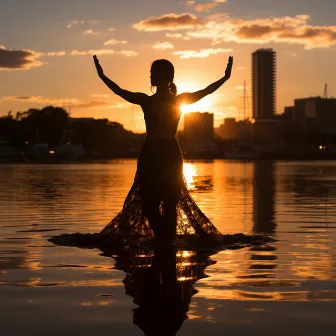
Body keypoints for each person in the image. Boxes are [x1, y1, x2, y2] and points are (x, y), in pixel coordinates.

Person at [93, 54, 233, 248]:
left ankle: (167, 245)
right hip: (149, 154)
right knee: (149, 204)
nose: (151, 76)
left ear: (168, 77)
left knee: (170, 202)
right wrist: (102, 76)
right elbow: (120, 91)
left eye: (155, 72)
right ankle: (165, 241)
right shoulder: (145, 100)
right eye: (150, 72)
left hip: (170, 154)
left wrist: (225, 77)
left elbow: (206, 91)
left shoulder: (180, 100)